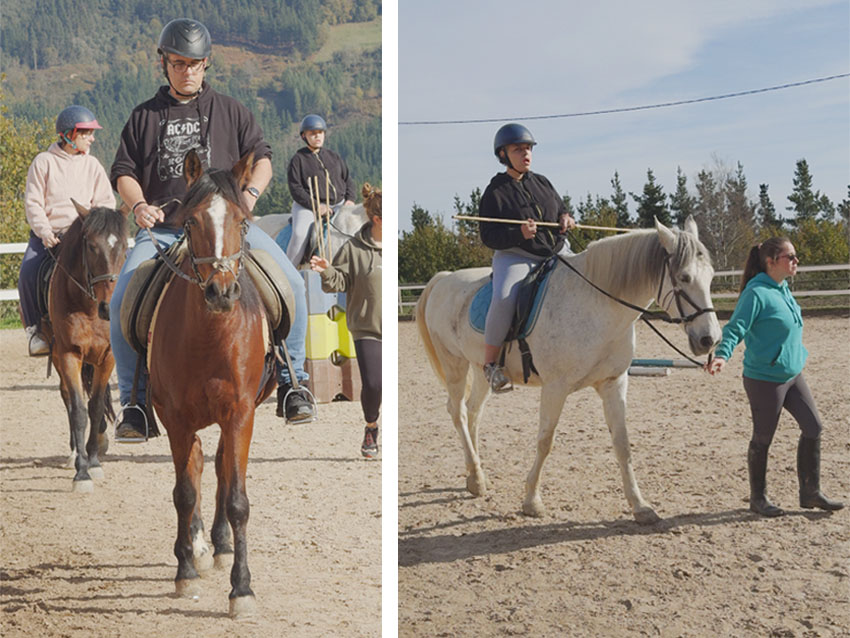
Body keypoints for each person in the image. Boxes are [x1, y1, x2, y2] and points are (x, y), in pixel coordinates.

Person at [109, 18, 315, 440]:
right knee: (120, 302)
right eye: (179, 62)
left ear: (207, 64)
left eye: (195, 64)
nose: (187, 71)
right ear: (163, 63)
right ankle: (135, 401)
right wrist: (140, 204)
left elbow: (262, 157)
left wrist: (250, 196)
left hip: (228, 229)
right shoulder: (145, 116)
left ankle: (294, 383)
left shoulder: (230, 110)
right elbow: (124, 171)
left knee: (291, 283)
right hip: (167, 231)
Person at [705, 238, 844, 517]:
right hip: (765, 379)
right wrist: (722, 355)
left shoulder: (782, 288)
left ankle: (810, 492)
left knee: (814, 426)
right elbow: (736, 328)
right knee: (763, 437)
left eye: (795, 256)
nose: (796, 261)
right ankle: (758, 499)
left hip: (792, 374)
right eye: (790, 256)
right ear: (770, 262)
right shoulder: (755, 293)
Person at [478, 123, 576, 393]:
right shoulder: (495, 191)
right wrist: (518, 233)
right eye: (518, 149)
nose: (526, 154)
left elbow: (560, 208)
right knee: (504, 296)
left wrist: (565, 218)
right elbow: (488, 235)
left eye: (528, 148)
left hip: (555, 251)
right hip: (516, 256)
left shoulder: (542, 181)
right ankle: (490, 365)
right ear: (503, 155)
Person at [19, 105, 115, 356]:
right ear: (69, 135)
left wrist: (98, 229)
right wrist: (44, 231)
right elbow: (33, 203)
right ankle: (35, 331)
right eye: (87, 133)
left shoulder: (92, 165)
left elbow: (106, 202)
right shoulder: (44, 162)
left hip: (85, 236)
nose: (92, 138)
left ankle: (117, 322)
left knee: (112, 267)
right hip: (51, 236)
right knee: (28, 271)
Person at [309, 183, 382, 458]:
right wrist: (327, 272)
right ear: (376, 220)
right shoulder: (353, 249)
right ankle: (371, 426)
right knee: (374, 384)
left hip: (394, 331)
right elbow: (337, 284)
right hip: (367, 329)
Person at [285, 114, 356, 266]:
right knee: (299, 234)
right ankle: (288, 270)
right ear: (304, 136)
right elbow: (295, 189)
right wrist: (317, 206)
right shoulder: (298, 159)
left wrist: (350, 200)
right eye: (312, 133)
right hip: (307, 206)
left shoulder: (334, 157)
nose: (317, 136)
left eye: (320, 132)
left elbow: (348, 179)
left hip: (339, 204)